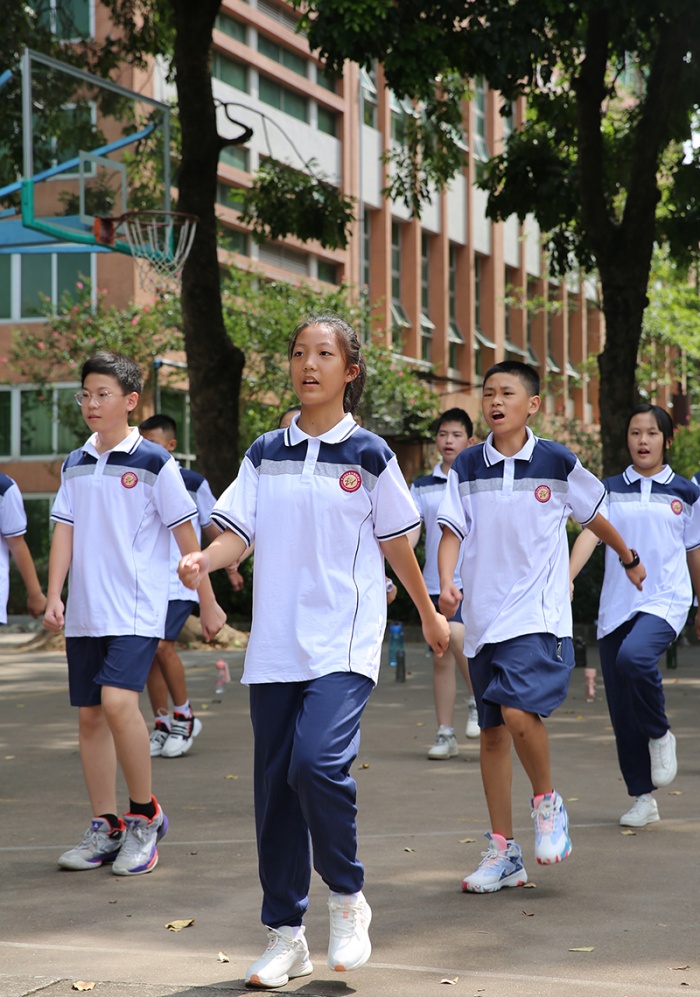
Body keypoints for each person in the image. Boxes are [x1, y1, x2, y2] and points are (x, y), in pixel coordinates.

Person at [178, 314, 450, 989]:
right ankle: (285, 935)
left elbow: (397, 542)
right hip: (275, 645)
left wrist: (427, 612)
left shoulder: (370, 454)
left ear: (349, 371)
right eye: (299, 352)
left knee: (316, 765)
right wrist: (206, 559)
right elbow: (237, 533)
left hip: (343, 641)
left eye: (324, 353)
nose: (308, 363)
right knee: (275, 790)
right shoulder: (265, 450)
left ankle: (348, 897)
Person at [437, 360, 645, 894]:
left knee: (516, 712)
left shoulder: (556, 460)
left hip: (538, 615)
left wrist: (628, 556)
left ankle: (548, 804)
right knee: (491, 735)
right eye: (488, 392)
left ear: (531, 405)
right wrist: (446, 583)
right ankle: (503, 851)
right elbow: (452, 531)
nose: (495, 401)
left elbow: (593, 516)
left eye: (507, 393)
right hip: (483, 619)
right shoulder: (467, 465)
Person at [43, 350, 225, 876]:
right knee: (90, 716)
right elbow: (64, 530)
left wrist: (208, 600)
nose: (92, 403)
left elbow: (186, 534)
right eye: (85, 394)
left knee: (119, 702)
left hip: (137, 609)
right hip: (87, 612)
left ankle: (145, 816)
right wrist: (54, 595)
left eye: (103, 394)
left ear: (130, 401)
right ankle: (106, 826)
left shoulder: (154, 462)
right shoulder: (75, 462)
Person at [570, 404, 700, 826]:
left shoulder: (686, 492)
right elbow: (590, 535)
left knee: (635, 658)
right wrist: (566, 578)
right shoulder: (607, 489)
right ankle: (643, 798)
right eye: (635, 433)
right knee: (622, 711)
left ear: (667, 440)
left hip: (666, 599)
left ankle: (660, 733)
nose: (643, 441)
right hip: (616, 606)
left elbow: (694, 552)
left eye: (652, 433)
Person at [139, 414, 234, 758]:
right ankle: (162, 723)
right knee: (149, 654)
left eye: (153, 443)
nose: (147, 449)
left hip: (181, 581)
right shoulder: (137, 478)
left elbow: (212, 527)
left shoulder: (192, 482)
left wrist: (231, 564)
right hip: (146, 582)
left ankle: (185, 716)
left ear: (171, 444)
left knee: (163, 647)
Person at [410, 408, 479, 759]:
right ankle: (445, 733)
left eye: (456, 435)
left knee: (458, 638)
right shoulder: (422, 486)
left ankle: (478, 700)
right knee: (441, 656)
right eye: (442, 434)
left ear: (470, 440)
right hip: (434, 584)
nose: (448, 441)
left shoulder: (477, 480)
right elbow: (410, 530)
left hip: (473, 583)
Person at [0, 474, 47, 623]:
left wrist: (35, 594)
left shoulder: (4, 488)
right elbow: (16, 543)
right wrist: (35, 594)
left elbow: (16, 543)